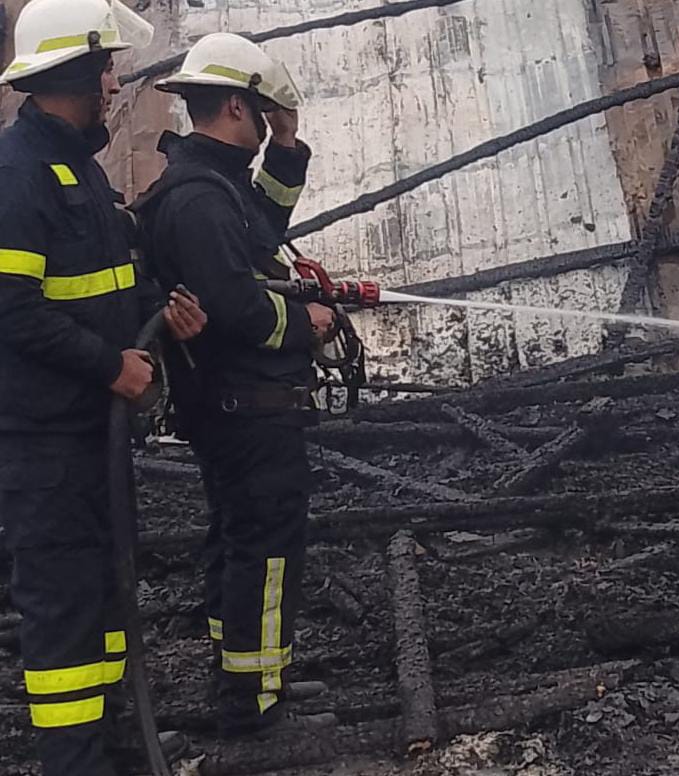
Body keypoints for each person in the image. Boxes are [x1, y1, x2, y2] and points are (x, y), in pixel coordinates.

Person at [0, 1, 207, 774]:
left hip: (92, 432)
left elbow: (110, 283)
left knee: (108, 588)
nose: (116, 84)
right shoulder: (17, 174)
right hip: (44, 440)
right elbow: (10, 308)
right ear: (78, 70)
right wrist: (109, 364)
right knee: (63, 604)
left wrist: (161, 317)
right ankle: (75, 760)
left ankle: (117, 737)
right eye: (109, 68)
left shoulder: (77, 169)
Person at [132, 32, 337, 740]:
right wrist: (307, 322)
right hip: (245, 406)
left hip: (235, 405)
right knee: (266, 551)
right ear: (234, 107)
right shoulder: (198, 198)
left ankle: (244, 676)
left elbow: (262, 229)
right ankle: (254, 702)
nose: (266, 123)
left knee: (241, 539)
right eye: (262, 112)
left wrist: (286, 147)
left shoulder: (212, 183)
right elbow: (237, 305)